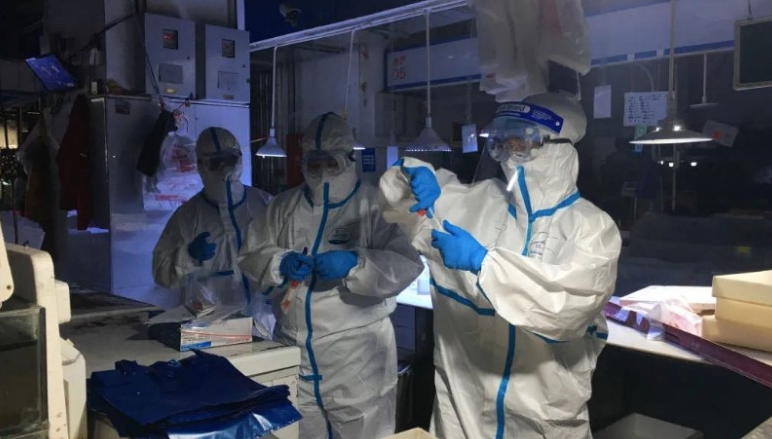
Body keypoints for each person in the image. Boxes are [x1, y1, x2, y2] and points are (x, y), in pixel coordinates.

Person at [379, 93, 622, 438]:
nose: (509, 152)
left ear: (558, 149)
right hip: (464, 413)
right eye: (501, 142)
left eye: (522, 142)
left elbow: (566, 305)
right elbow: (401, 205)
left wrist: (485, 265)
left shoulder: (591, 228)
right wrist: (409, 176)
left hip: (543, 418)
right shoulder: (477, 204)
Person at [238, 112, 423, 439]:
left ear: (349, 160)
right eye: (314, 162)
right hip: (293, 348)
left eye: (331, 162)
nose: (322, 170)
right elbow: (250, 254)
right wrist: (280, 262)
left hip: (356, 356)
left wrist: (355, 262)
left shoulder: (374, 205)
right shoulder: (283, 206)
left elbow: (407, 264)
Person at [152, 126, 275, 338]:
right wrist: (187, 256)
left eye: (229, 160)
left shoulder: (265, 205)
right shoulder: (188, 216)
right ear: (201, 165)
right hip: (210, 327)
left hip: (264, 322)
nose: (224, 170)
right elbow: (161, 273)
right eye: (215, 163)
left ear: (239, 160)